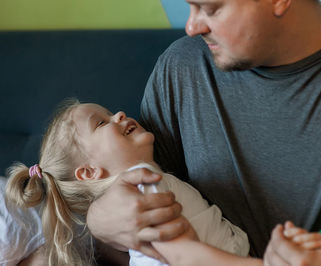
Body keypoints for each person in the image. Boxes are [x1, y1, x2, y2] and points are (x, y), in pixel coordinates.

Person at [86, 0, 321, 264]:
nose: (192, 26)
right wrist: (99, 221)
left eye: (210, 8)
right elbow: (147, 243)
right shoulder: (182, 68)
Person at [5, 100, 262, 266]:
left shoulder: (149, 183)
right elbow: (185, 257)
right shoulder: (142, 188)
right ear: (89, 172)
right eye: (102, 122)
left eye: (110, 112)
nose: (119, 113)